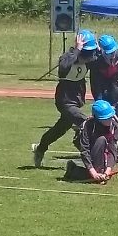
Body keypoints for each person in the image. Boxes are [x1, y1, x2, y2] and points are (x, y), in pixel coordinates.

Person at [34, 30, 99, 167]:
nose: (89, 57)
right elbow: (63, 67)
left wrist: (98, 48)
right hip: (65, 100)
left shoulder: (89, 59)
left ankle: (40, 148)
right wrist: (77, 50)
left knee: (60, 129)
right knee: (84, 122)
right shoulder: (68, 57)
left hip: (76, 100)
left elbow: (100, 60)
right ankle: (91, 156)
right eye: (86, 53)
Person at [67, 99, 118, 183]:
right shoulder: (88, 126)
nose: (109, 120)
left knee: (102, 172)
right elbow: (84, 150)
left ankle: (75, 170)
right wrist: (93, 172)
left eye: (110, 117)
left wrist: (108, 170)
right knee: (101, 140)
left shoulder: (114, 126)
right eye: (106, 118)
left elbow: (113, 150)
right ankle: (74, 171)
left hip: (104, 149)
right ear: (98, 118)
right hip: (91, 148)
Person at [89, 34, 118, 123]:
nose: (112, 55)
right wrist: (99, 101)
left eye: (113, 52)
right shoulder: (96, 61)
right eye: (109, 53)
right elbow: (96, 84)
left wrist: (114, 103)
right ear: (102, 51)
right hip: (103, 89)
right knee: (101, 115)